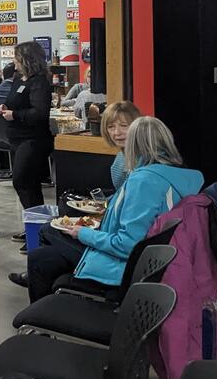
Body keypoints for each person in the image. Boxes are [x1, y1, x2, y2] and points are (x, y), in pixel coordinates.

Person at [16, 117, 202, 301]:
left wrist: (83, 234)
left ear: (134, 146)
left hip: (124, 268)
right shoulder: (182, 176)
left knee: (47, 232)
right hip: (159, 262)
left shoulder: (144, 181)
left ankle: (53, 308)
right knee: (43, 258)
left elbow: (127, 244)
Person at [0, 42, 53, 252]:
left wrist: (15, 115)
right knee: (29, 186)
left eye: (17, 57)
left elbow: (39, 113)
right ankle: (36, 229)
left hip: (33, 140)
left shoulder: (39, 82)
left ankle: (39, 233)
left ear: (27, 59)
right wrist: (6, 108)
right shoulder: (18, 79)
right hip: (17, 138)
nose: (14, 61)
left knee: (22, 181)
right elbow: (14, 102)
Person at [101, 101, 142, 190]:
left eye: (123, 126)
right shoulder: (119, 158)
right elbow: (121, 195)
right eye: (111, 127)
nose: (117, 132)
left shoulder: (149, 158)